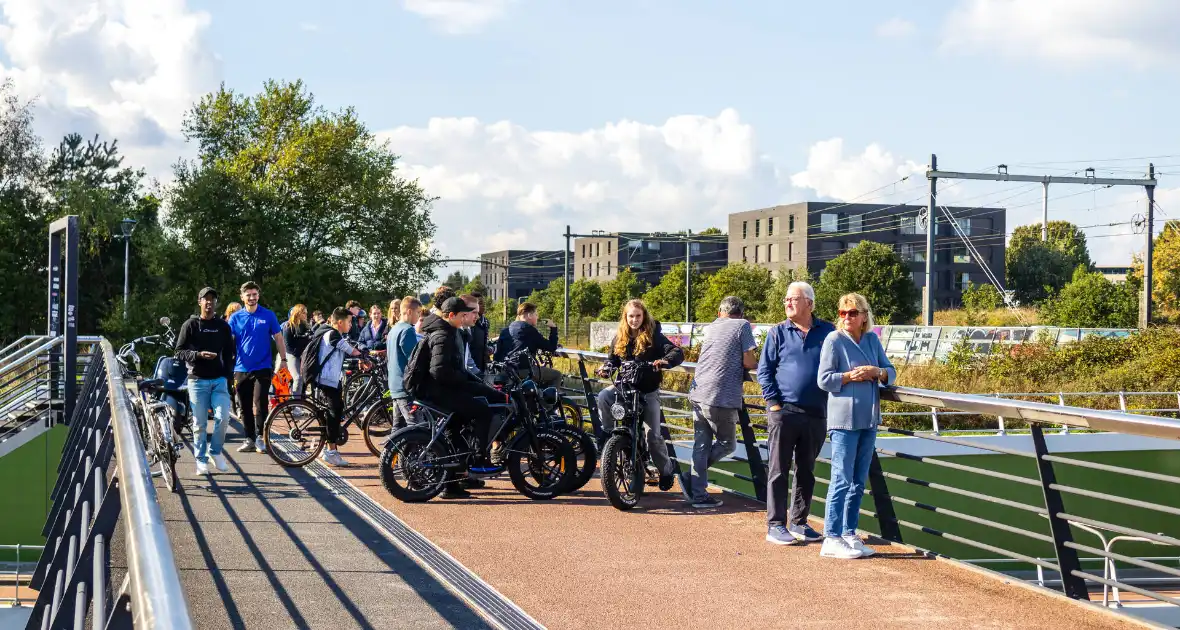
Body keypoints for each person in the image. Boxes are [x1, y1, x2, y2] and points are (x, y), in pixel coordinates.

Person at [817, 293, 896, 560]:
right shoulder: (834, 340)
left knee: (858, 481)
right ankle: (831, 536)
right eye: (842, 313)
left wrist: (878, 373)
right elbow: (824, 380)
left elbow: (890, 370)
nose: (847, 318)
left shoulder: (872, 339)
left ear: (864, 315)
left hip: (869, 418)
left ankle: (849, 533)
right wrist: (850, 376)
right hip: (843, 420)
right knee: (841, 478)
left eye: (852, 313)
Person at [757, 281, 836, 546]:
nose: (788, 302)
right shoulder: (778, 332)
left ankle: (799, 522)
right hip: (785, 411)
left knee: (806, 471)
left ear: (810, 303)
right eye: (786, 299)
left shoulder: (828, 331)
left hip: (816, 412)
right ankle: (775, 524)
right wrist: (774, 404)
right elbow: (764, 371)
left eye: (794, 298)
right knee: (779, 469)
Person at [417, 296, 507, 499]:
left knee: (456, 429)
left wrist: (478, 385)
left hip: (441, 389)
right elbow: (440, 372)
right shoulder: (443, 335)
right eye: (463, 315)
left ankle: (452, 482)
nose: (467, 317)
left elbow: (455, 369)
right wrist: (467, 383)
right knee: (482, 411)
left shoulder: (446, 331)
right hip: (439, 391)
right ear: (451, 315)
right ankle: (478, 458)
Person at [596, 299, 683, 492]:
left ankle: (667, 471)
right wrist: (606, 368)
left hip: (647, 391)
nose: (634, 320)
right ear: (625, 318)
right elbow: (612, 360)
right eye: (630, 316)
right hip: (624, 388)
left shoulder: (654, 336)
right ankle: (607, 435)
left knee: (654, 436)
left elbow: (676, 351)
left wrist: (664, 361)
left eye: (638, 316)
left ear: (644, 316)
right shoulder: (620, 337)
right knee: (604, 396)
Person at [685, 296, 757, 509]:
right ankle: (693, 480)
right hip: (720, 396)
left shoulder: (712, 326)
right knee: (727, 443)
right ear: (741, 314)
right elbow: (749, 361)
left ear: (719, 313)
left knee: (701, 445)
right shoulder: (742, 325)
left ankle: (697, 492)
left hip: (698, 392)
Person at [174, 287, 236, 475]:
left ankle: (215, 452)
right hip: (197, 380)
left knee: (223, 417)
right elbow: (179, 351)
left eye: (212, 299)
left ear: (216, 303)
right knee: (199, 424)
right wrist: (198, 355)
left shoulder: (223, 326)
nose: (209, 302)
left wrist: (227, 375)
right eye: (205, 299)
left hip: (219, 380)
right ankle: (200, 460)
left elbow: (230, 352)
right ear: (199, 302)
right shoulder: (190, 325)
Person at [227, 281, 288, 454]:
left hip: (263, 366)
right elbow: (227, 341)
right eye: (248, 295)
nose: (252, 298)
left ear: (258, 296)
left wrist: (283, 359)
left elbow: (278, 337)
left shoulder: (268, 315)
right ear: (242, 297)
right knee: (244, 405)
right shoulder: (235, 318)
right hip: (241, 368)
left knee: (260, 402)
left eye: (255, 294)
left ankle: (261, 437)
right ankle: (249, 439)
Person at [314, 307, 364, 466]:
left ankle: (327, 447)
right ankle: (331, 452)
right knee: (334, 413)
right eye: (349, 322)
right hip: (328, 379)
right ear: (340, 322)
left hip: (329, 378)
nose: (351, 325)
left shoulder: (332, 333)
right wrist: (365, 355)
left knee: (334, 411)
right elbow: (349, 349)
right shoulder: (333, 334)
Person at [493, 302, 561, 387]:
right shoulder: (530, 330)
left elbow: (497, 353)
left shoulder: (505, 330)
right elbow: (551, 347)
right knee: (556, 375)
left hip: (505, 370)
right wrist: (553, 328)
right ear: (529, 315)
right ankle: (551, 399)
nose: (537, 317)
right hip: (524, 370)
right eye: (536, 314)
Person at [388, 296, 423, 428]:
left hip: (394, 384)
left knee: (397, 427)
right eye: (418, 312)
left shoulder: (394, 329)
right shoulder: (408, 330)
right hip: (405, 385)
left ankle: (390, 449)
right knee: (415, 426)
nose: (419, 316)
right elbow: (414, 359)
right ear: (409, 311)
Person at [282, 304, 312, 394]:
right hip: (292, 355)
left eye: (306, 313)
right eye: (303, 313)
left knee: (305, 378)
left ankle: (301, 399)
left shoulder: (306, 326)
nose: (306, 315)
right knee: (297, 378)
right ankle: (296, 404)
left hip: (304, 355)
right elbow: (288, 345)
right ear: (297, 313)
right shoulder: (288, 326)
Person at [468, 292, 490, 374]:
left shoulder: (486, 322)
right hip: (471, 367)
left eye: (484, 303)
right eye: (480, 303)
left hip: (482, 364)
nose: (483, 305)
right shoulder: (469, 324)